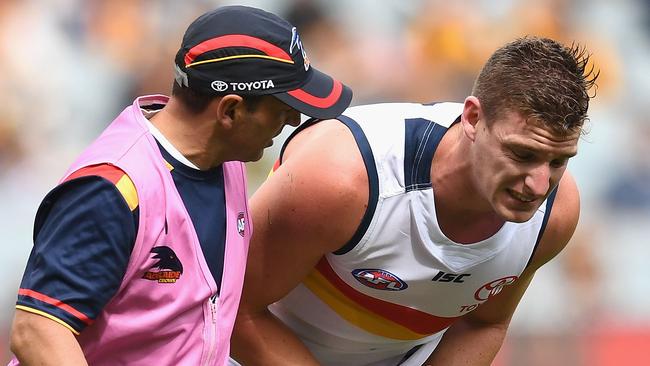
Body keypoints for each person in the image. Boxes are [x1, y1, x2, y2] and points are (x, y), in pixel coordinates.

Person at [8, 5, 351, 366]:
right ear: (230, 111)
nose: (293, 118)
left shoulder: (227, 158)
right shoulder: (114, 189)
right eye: (282, 106)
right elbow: (37, 330)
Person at [232, 36, 599, 366]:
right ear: (473, 118)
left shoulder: (556, 213)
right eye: (521, 154)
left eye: (558, 161)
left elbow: (483, 324)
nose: (538, 185)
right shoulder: (342, 178)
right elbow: (234, 310)